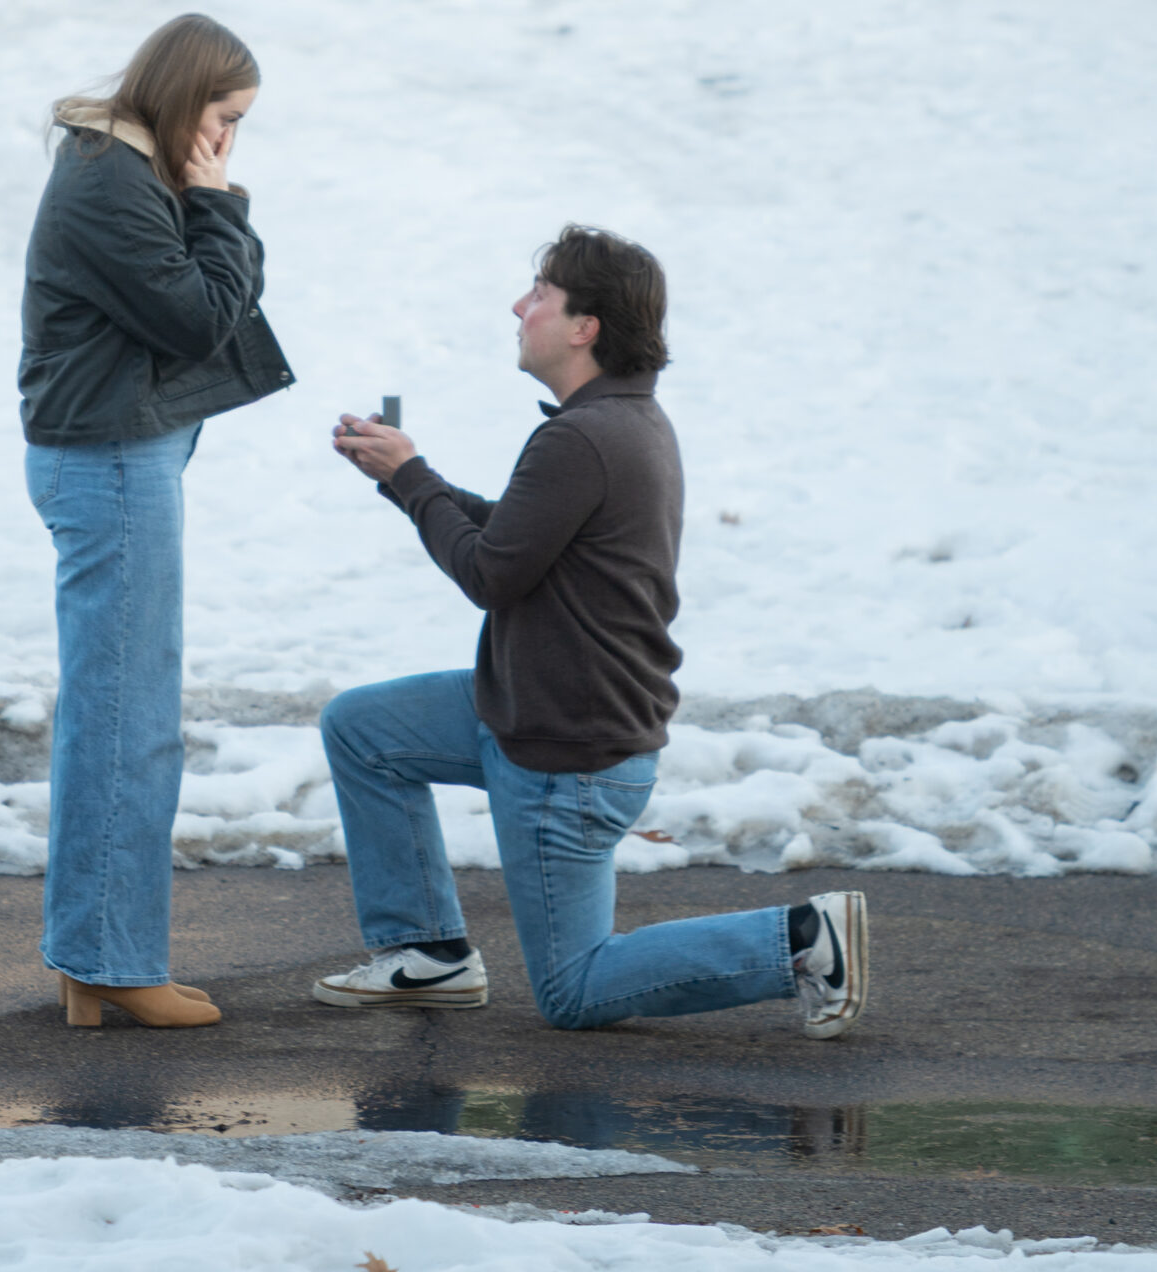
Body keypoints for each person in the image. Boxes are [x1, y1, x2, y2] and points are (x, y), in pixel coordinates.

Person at [317, 226, 867, 1038]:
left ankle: (798, 938)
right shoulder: (623, 421)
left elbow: (489, 575)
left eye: (539, 293)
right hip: (530, 708)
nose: (519, 307)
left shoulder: (582, 437)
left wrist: (413, 477)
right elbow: (518, 534)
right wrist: (405, 479)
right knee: (362, 728)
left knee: (574, 990)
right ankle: (427, 952)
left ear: (586, 327)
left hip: (565, 754)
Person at [21, 13, 293, 1030]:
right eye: (226, 118)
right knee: (128, 724)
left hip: (118, 451)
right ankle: (109, 961)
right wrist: (220, 203)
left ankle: (93, 958)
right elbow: (201, 317)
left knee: (117, 712)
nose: (228, 140)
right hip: (110, 460)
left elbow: (201, 306)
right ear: (184, 99)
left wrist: (209, 199)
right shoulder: (110, 182)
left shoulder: (123, 171)